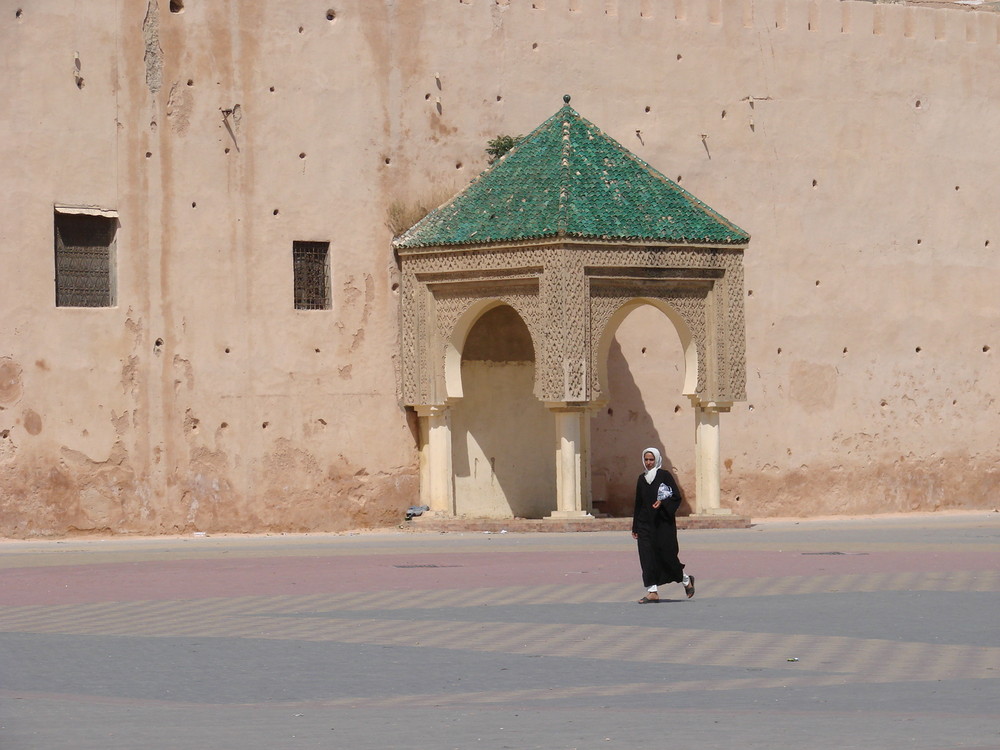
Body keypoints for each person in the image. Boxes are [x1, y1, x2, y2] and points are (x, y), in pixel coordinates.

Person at [631, 447, 695, 603]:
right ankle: (652, 591)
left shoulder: (664, 476)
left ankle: (686, 580)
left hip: (663, 524)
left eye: (651, 460)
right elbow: (638, 504)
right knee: (646, 557)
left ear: (657, 460)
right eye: (646, 460)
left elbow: (676, 497)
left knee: (667, 556)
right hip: (645, 524)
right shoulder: (642, 479)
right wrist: (635, 526)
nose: (648, 463)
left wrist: (662, 503)